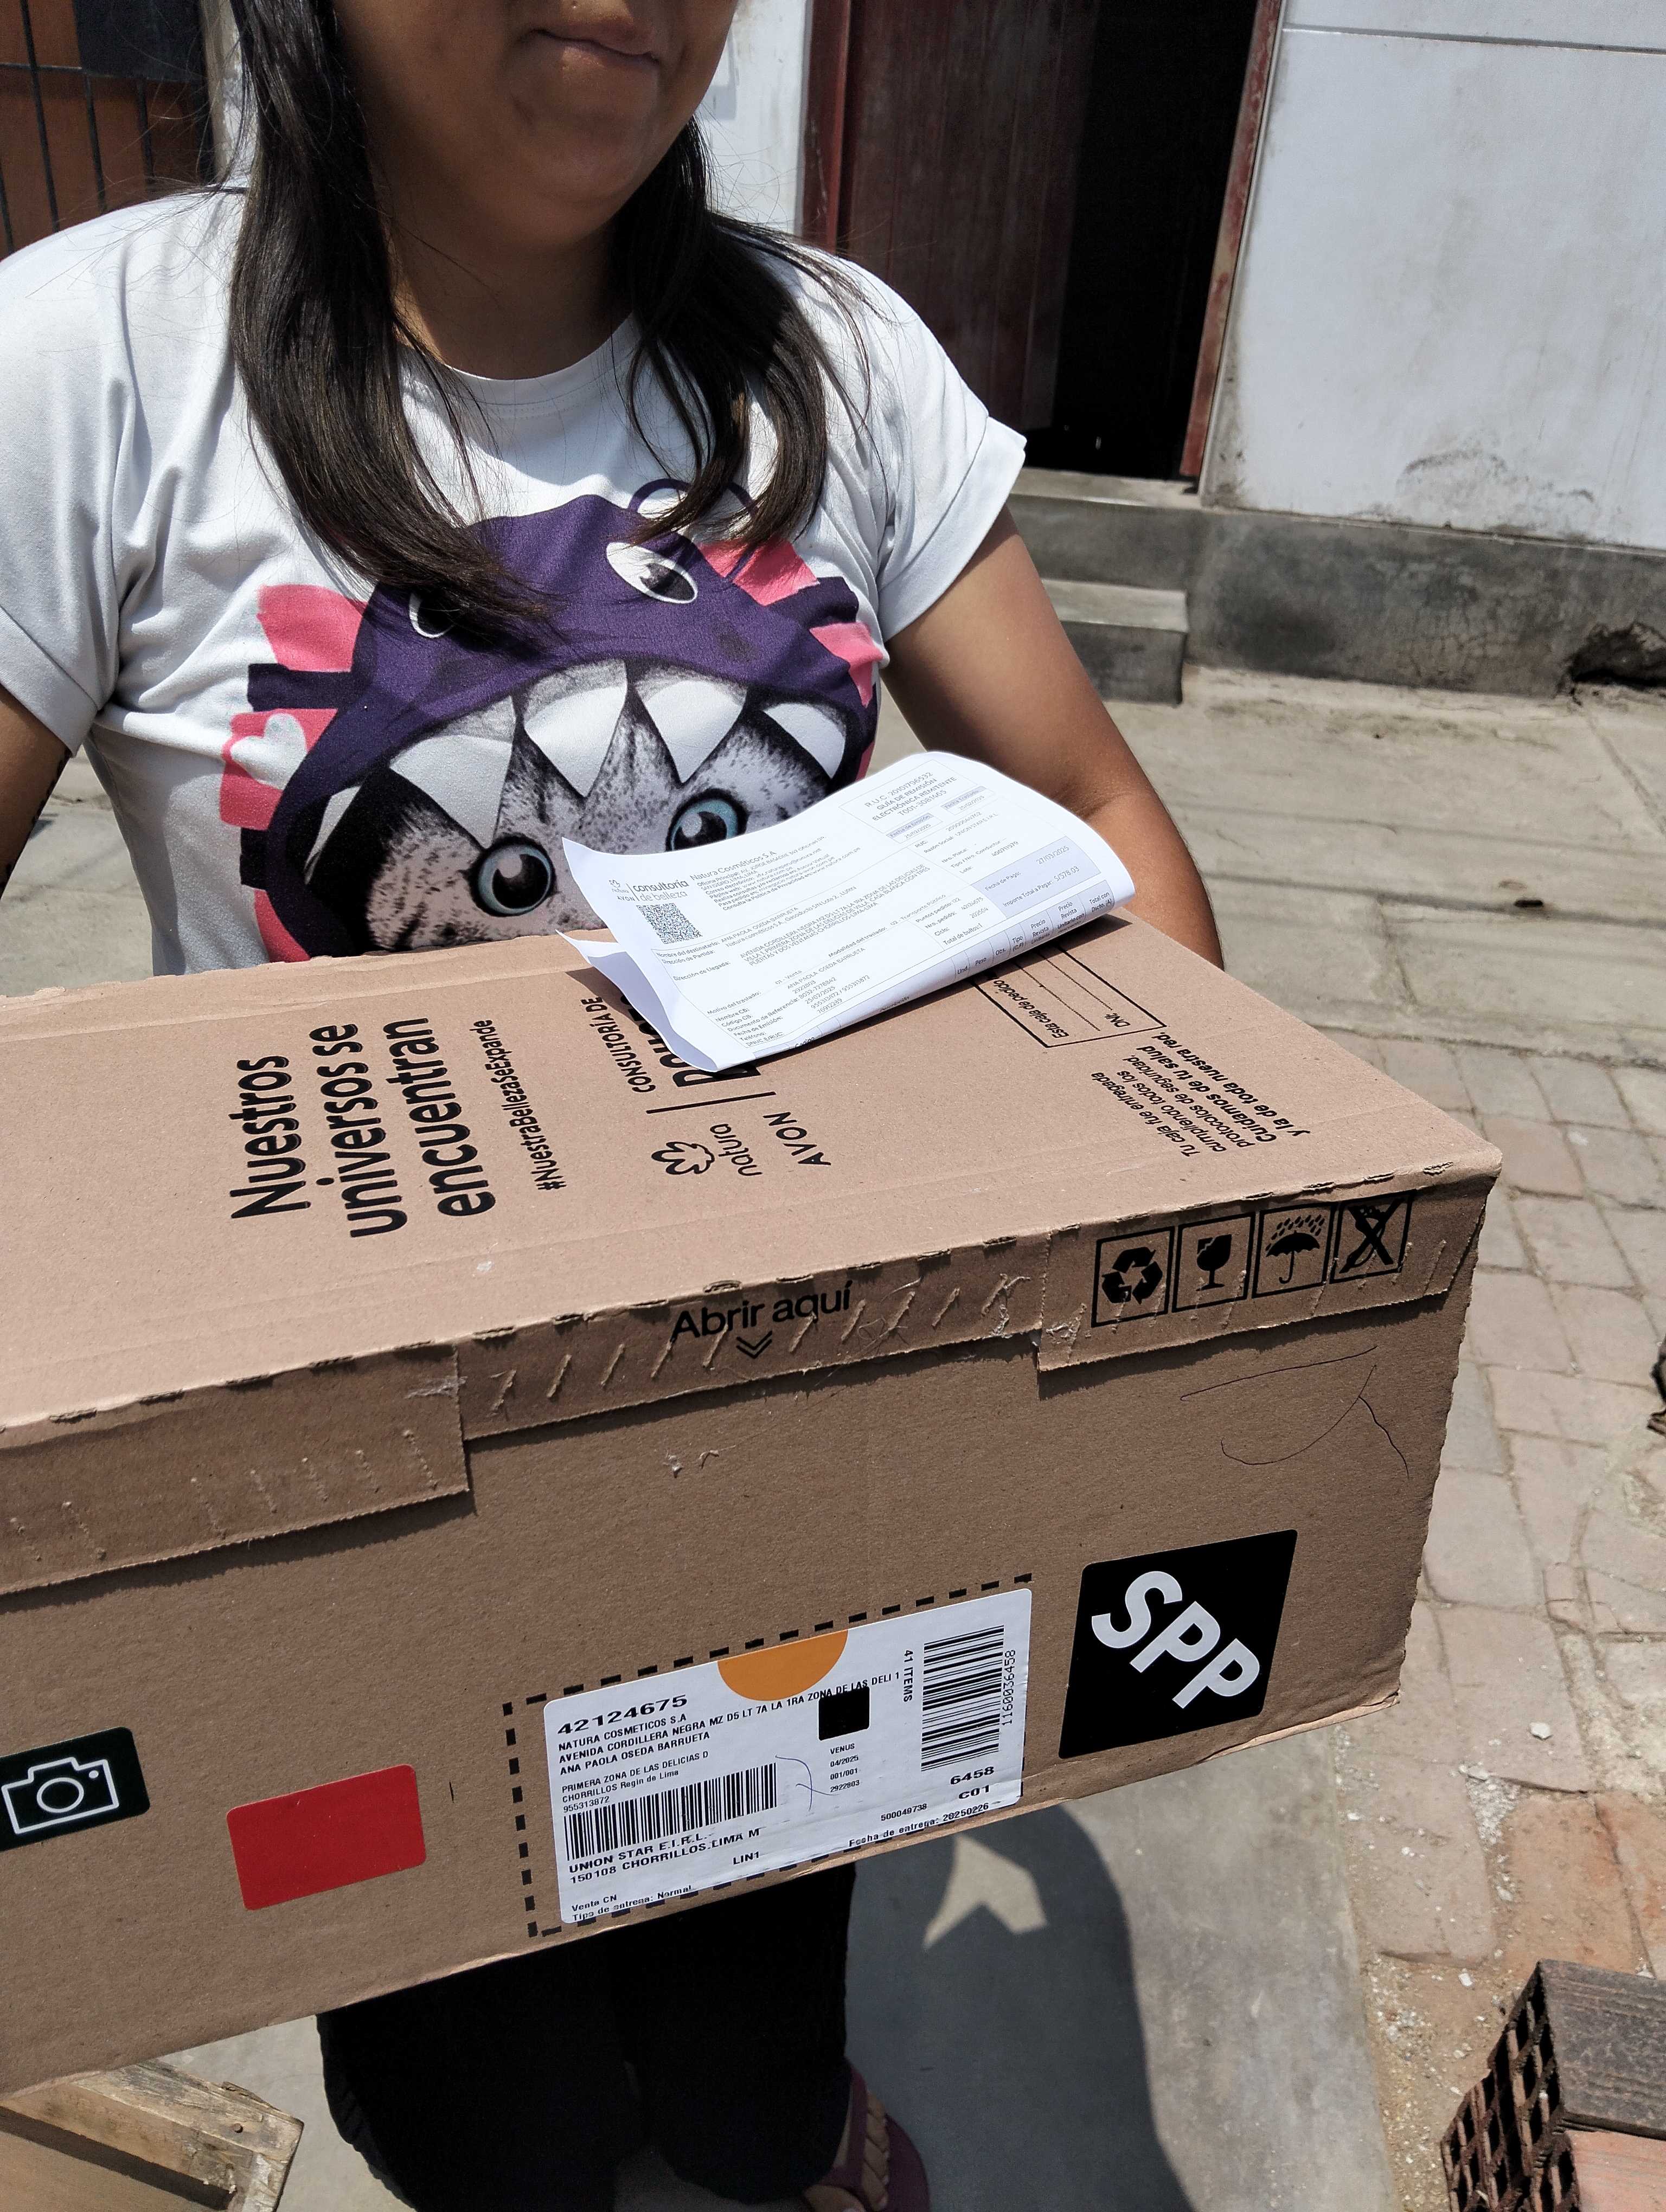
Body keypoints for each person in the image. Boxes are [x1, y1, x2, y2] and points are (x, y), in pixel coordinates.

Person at [0, 4, 1222, 2205]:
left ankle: (779, 2135)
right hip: (378, 1515)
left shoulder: (834, 357)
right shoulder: (93, 363)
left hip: (802, 1442)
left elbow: (1098, 815)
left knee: (755, 2008)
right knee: (493, 2110)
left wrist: (1148, 1244)